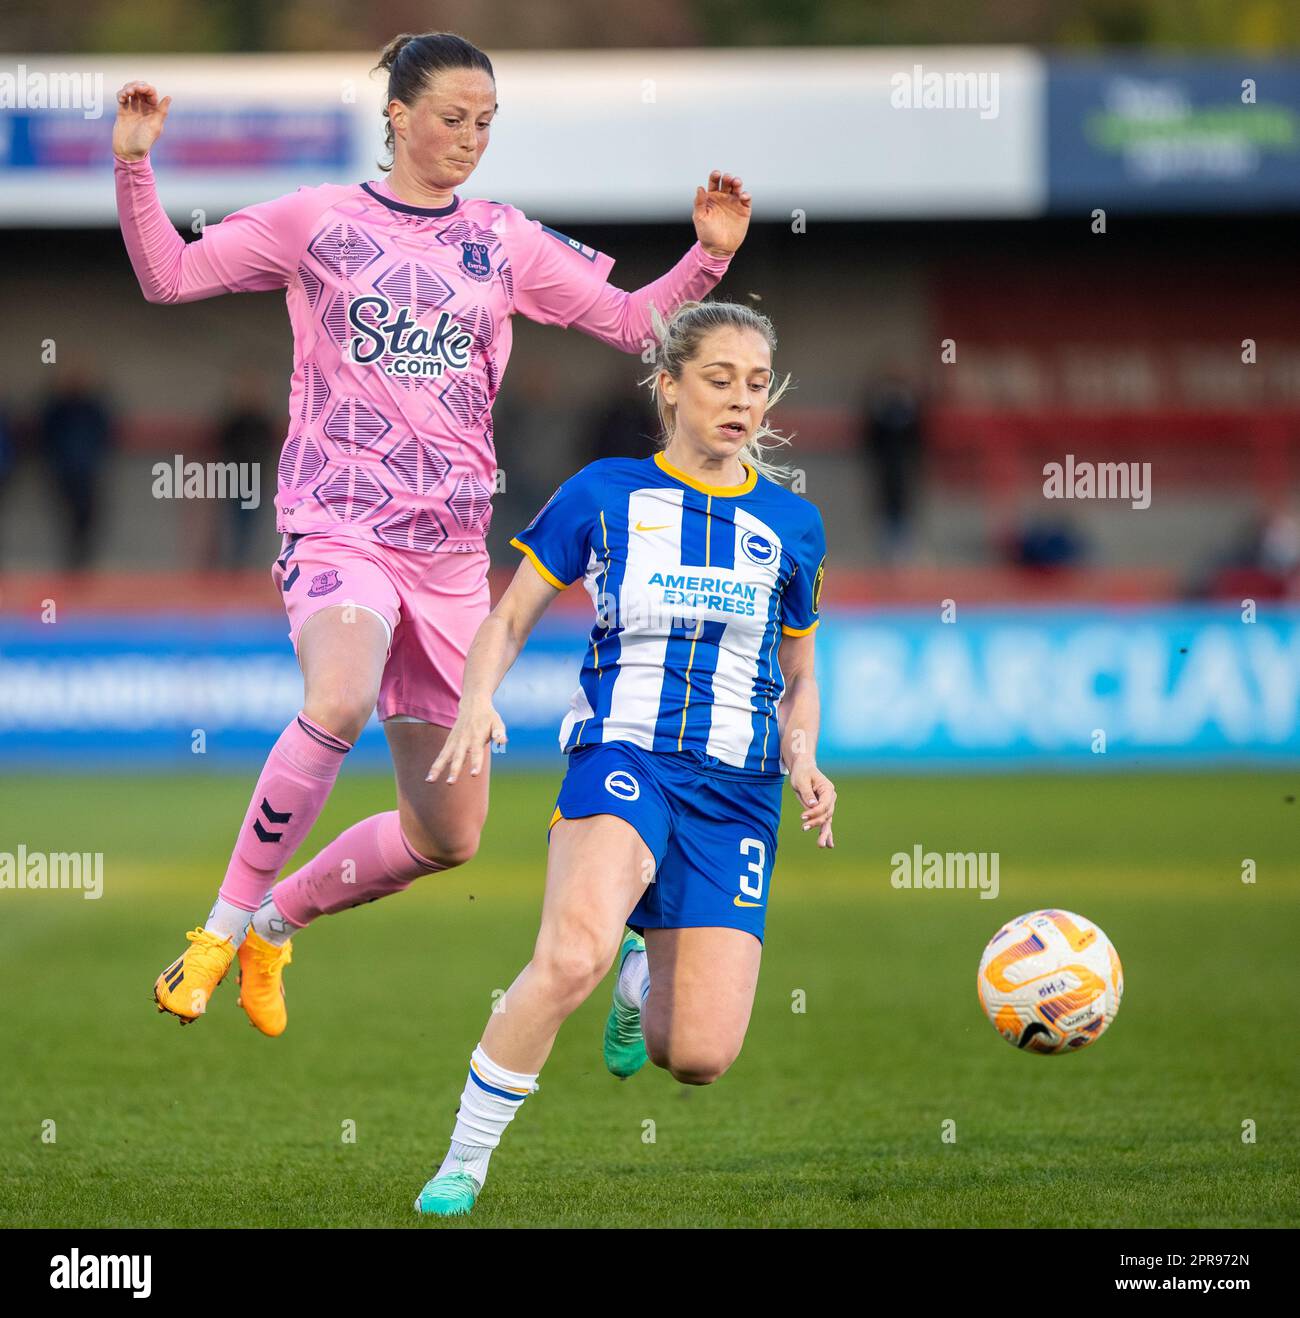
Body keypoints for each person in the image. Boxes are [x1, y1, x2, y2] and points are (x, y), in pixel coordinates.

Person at [112, 30, 752, 1034]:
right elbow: (169, 275)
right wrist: (134, 162)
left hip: (451, 557)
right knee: (340, 692)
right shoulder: (315, 221)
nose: (468, 139)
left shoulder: (501, 239)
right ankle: (217, 932)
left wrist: (706, 256)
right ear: (397, 117)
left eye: (485, 123)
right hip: (337, 526)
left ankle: (277, 925)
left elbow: (634, 326)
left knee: (447, 835)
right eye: (451, 118)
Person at [410, 300, 835, 1216]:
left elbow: (798, 673)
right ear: (669, 386)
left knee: (698, 1058)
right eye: (718, 379)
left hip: (739, 793)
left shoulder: (794, 529)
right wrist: (477, 696)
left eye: (755, 385)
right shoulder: (605, 493)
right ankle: (464, 1161)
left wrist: (804, 760)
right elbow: (509, 615)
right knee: (571, 956)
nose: (739, 400)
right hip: (623, 758)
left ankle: (645, 976)